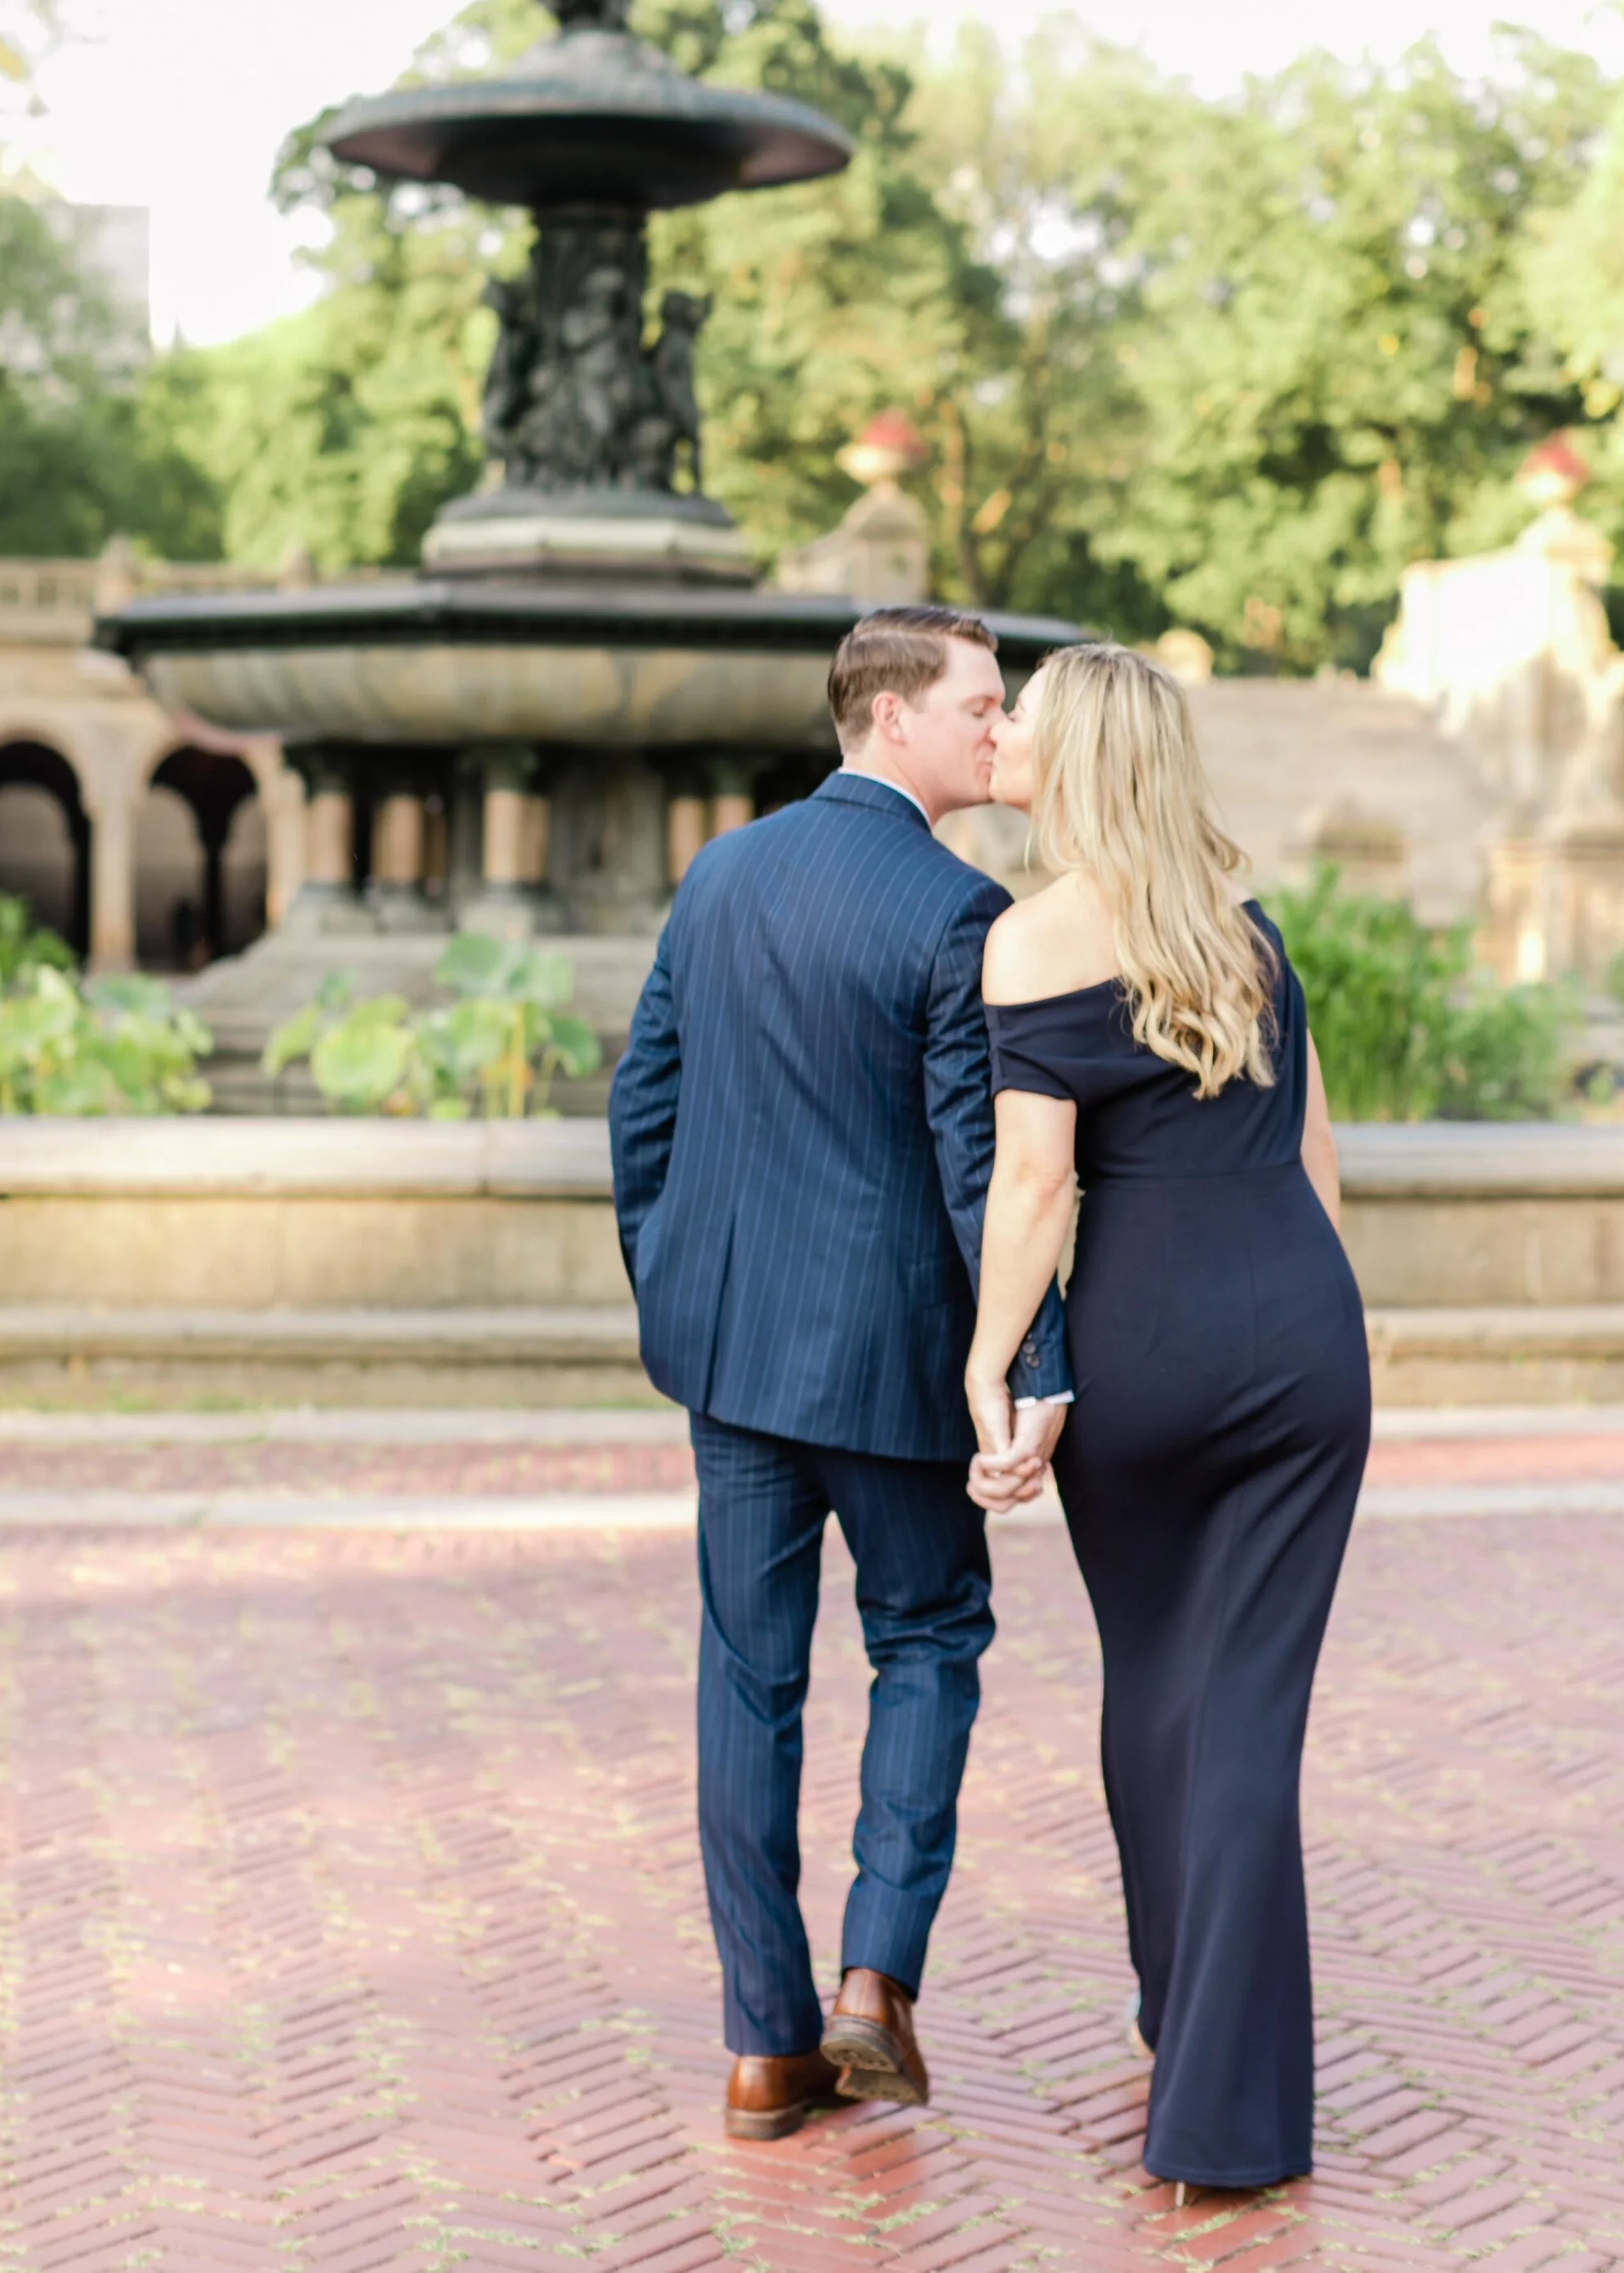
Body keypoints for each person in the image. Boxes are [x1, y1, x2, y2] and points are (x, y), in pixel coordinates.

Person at [609, 608, 1073, 2142]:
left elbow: (643, 1103)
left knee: (747, 1682)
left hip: (734, 1359)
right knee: (929, 1635)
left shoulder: (720, 872)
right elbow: (979, 1169)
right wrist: (1030, 1366)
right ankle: (875, 1978)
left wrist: (682, 1285)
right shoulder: (959, 909)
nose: (999, 730)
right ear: (891, 718)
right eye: (979, 705)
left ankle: (763, 2044)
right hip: (893, 1367)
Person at [968, 641, 1369, 2196]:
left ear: (1073, 756)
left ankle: (1188, 2050)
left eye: (1022, 717)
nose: (1002, 730)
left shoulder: (1031, 939)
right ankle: (1215, 2078)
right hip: (1299, 1334)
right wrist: (1329, 1334)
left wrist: (992, 1363)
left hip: (1147, 1346)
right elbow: (1319, 1161)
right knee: (1249, 1712)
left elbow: (1033, 1185)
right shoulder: (1246, 930)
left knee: (1155, 1686)